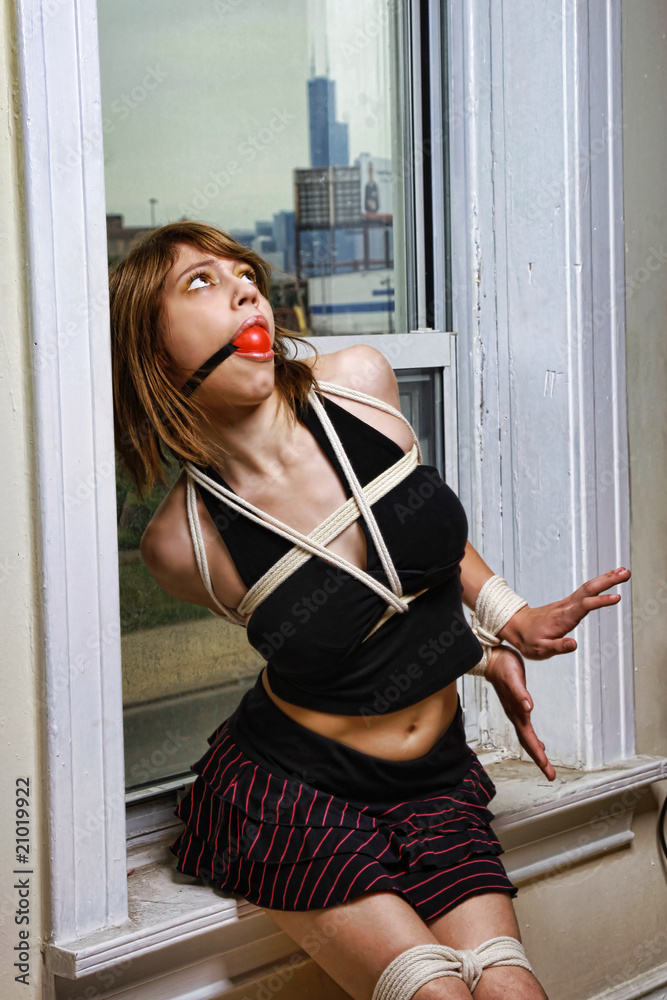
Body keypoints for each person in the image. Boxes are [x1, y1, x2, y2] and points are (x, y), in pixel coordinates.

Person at [110, 220, 630, 1000]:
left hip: (436, 782)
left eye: (243, 272)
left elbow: (409, 543)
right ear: (155, 356)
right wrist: (470, 651)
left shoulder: (358, 383)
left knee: (511, 992)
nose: (244, 289)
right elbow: (348, 635)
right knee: (435, 993)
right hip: (297, 795)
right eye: (201, 283)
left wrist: (504, 624)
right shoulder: (181, 544)